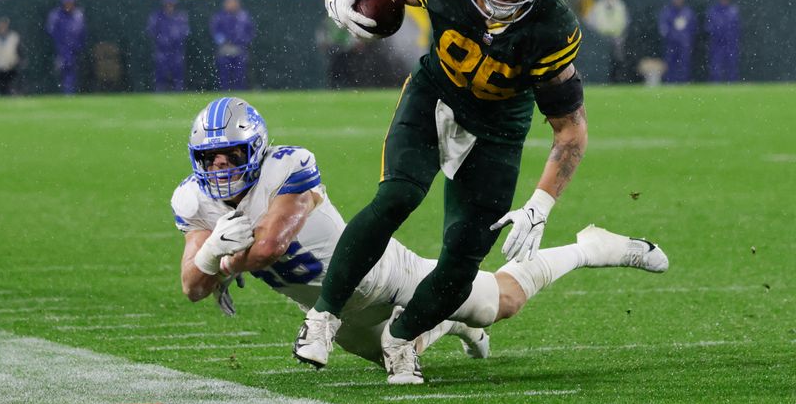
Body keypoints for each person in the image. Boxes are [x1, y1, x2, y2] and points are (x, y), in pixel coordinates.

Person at [294, 0, 591, 384]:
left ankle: (404, 337)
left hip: (499, 128)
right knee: (397, 196)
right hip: (435, 94)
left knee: (464, 258)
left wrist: (541, 205)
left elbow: (570, 130)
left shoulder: (552, 28)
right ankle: (323, 317)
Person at [175, 97, 669, 369]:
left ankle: (589, 248)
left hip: (387, 272)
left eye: (232, 155)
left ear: (256, 150)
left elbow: (269, 248)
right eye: (209, 158)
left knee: (503, 302)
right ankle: (452, 323)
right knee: (398, 346)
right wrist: (206, 259)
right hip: (333, 315)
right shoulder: (195, 202)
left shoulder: (288, 167)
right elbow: (191, 288)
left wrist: (225, 260)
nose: (220, 168)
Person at [209, 0, 254, 90]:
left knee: (240, 74)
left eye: (234, 2)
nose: (232, 5)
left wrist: (242, 41)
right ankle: (224, 92)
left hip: (239, 49)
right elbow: (215, 32)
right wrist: (224, 41)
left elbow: (250, 32)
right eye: (229, 2)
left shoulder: (244, 16)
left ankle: (240, 93)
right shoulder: (219, 16)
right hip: (225, 48)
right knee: (224, 73)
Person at [146, 0, 190, 92]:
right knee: (161, 69)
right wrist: (161, 39)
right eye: (168, 4)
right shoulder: (157, 16)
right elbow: (151, 30)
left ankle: (179, 88)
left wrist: (177, 38)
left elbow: (185, 31)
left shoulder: (180, 16)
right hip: (162, 49)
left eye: (172, 4)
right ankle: (160, 88)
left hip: (176, 48)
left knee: (178, 69)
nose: (170, 7)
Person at [46, 0, 86, 94]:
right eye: (66, 2)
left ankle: (70, 93)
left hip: (74, 50)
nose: (68, 5)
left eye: (70, 2)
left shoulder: (78, 15)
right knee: (60, 72)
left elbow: (82, 33)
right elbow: (52, 32)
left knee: (72, 72)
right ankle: (61, 93)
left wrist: (77, 46)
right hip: (59, 50)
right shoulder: (56, 15)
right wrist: (61, 47)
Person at [585, 0, 630, 83]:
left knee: (618, 59)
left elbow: (625, 21)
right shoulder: (598, 6)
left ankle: (618, 79)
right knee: (602, 60)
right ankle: (604, 80)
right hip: (601, 38)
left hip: (617, 38)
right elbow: (590, 20)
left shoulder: (620, 6)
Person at [657, 0, 697, 83]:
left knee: (684, 63)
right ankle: (670, 82)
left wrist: (686, 39)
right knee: (670, 63)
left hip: (684, 44)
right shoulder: (667, 12)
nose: (678, 1)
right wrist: (672, 36)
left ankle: (683, 81)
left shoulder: (688, 12)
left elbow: (693, 28)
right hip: (671, 43)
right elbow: (663, 28)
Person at [705, 0, 741, 83]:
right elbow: (709, 27)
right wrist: (718, 33)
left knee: (732, 64)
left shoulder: (733, 10)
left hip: (730, 42)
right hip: (717, 42)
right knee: (716, 64)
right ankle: (715, 84)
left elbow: (737, 27)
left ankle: (732, 83)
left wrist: (731, 37)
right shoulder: (713, 10)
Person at [0, 16, 20, 94]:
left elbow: (19, 52)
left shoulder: (14, 37)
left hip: (11, 68)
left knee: (11, 87)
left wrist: (17, 63)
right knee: (2, 89)